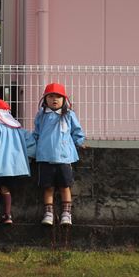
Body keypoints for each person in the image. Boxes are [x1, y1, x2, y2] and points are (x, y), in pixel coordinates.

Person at [33, 82, 85, 226]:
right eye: (50, 96)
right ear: (45, 99)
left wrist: (79, 142)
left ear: (64, 99)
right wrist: (31, 149)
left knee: (65, 186)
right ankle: (48, 213)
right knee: (48, 187)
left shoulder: (69, 114)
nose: (54, 99)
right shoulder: (41, 115)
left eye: (58, 96)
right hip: (45, 157)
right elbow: (36, 133)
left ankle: (66, 214)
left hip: (64, 158)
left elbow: (77, 131)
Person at [0, 97, 34, 224]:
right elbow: (31, 144)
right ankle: (8, 215)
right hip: (14, 169)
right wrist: (28, 159)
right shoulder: (18, 128)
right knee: (6, 189)